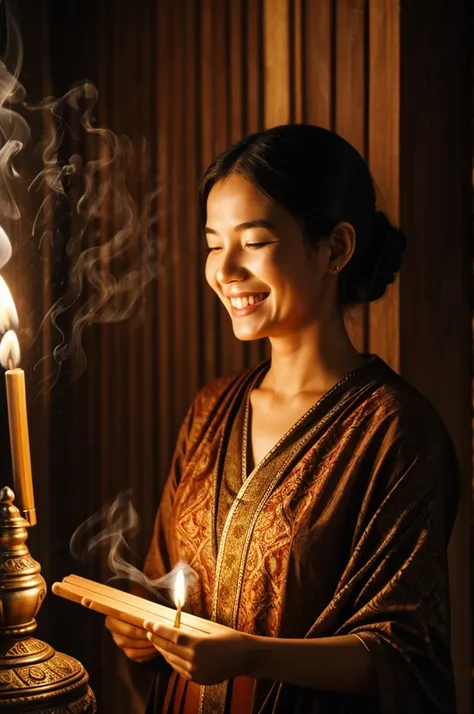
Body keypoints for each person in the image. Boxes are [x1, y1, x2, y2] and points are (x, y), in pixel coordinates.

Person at [105, 124, 459, 713]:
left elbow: (406, 651)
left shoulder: (395, 430)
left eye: (256, 240)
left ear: (335, 249)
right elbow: (165, 582)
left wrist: (251, 654)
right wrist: (142, 628)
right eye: (214, 244)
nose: (226, 270)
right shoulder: (210, 410)